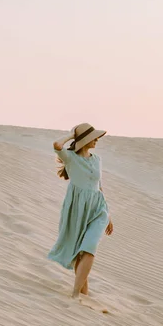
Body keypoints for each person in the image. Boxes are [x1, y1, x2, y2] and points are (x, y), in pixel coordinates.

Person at [48, 123, 114, 299]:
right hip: (77, 208)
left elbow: (99, 186)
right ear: (85, 139)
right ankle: (84, 294)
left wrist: (108, 213)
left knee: (90, 246)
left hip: (98, 208)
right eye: (94, 137)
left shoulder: (97, 159)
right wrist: (72, 135)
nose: (97, 140)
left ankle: (76, 294)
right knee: (80, 252)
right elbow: (56, 145)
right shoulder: (70, 157)